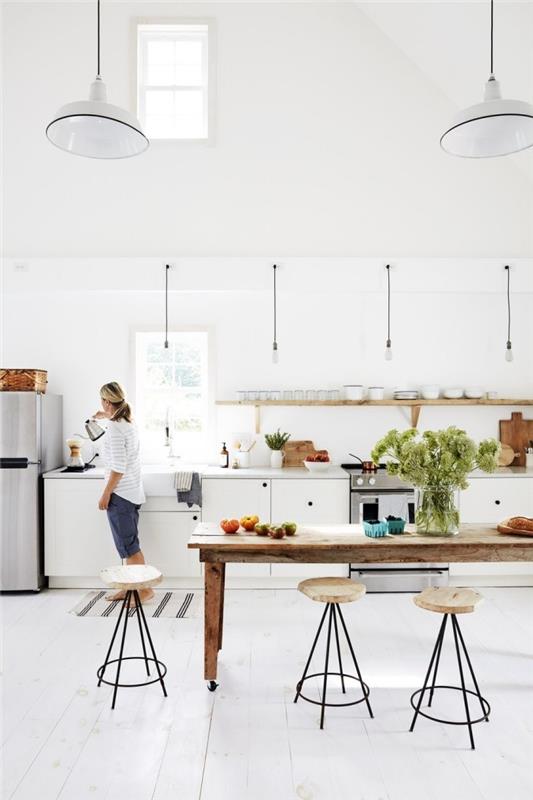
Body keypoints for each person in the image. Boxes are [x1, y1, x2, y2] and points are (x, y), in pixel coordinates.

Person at [93, 381, 153, 604]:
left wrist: (106, 494)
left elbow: (118, 467)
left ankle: (143, 590)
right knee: (127, 545)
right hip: (132, 492)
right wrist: (106, 416)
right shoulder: (126, 423)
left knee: (129, 547)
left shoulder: (116, 429)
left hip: (121, 495)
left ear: (107, 401)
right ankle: (130, 588)